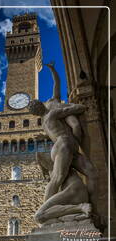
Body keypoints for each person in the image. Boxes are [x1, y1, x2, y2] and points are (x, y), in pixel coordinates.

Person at [29, 62, 98, 218]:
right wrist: (82, 106)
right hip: (64, 145)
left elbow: (56, 85)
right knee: (57, 178)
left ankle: (93, 210)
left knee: (93, 173)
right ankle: (46, 209)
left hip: (70, 146)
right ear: (40, 107)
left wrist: (53, 69)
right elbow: (70, 109)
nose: (41, 104)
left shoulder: (48, 116)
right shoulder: (50, 115)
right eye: (38, 104)